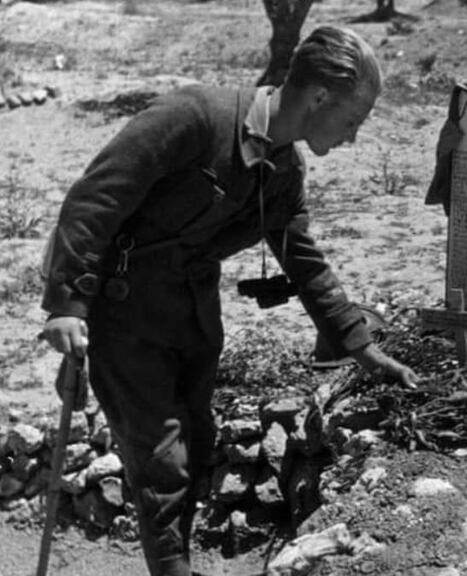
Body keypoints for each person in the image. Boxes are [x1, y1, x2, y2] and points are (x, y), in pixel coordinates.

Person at [39, 26, 417, 576]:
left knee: (198, 449)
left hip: (193, 319)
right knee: (163, 462)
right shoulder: (194, 117)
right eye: (353, 120)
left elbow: (304, 260)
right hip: (125, 316)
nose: (353, 138)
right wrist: (68, 304)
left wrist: (362, 348)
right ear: (318, 98)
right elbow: (94, 201)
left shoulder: (283, 171)